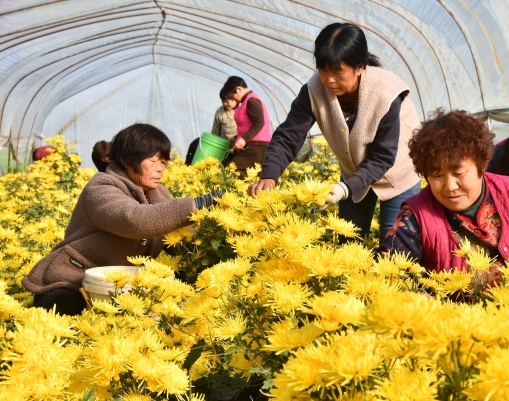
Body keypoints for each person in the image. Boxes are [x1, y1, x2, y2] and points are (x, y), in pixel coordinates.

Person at [379, 110, 509, 292]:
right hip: (454, 330)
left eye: (458, 173)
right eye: (437, 175)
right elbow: (390, 278)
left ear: (481, 166)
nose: (450, 186)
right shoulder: (415, 217)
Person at [22, 123, 223, 316]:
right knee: (63, 308)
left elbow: (180, 237)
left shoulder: (158, 193)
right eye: (152, 160)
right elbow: (135, 221)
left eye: (163, 161)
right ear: (128, 160)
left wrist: (220, 235)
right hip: (75, 281)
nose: (160, 168)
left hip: (122, 287)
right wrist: (201, 203)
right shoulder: (101, 188)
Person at [247, 22, 421, 244]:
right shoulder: (313, 91)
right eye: (323, 70)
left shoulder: (385, 92)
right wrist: (269, 175)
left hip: (399, 174)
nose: (329, 79)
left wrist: (344, 188)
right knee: (348, 244)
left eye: (338, 71)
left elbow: (382, 157)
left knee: (394, 247)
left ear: (359, 67)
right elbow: (288, 135)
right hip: (355, 173)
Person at [221, 76, 271, 178]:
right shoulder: (245, 101)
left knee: (232, 169)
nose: (234, 99)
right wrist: (236, 139)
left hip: (258, 146)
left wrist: (244, 140)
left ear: (239, 89)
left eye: (232, 95)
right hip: (252, 144)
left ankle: (249, 189)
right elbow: (247, 126)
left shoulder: (251, 100)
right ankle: (252, 190)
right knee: (245, 172)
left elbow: (259, 122)